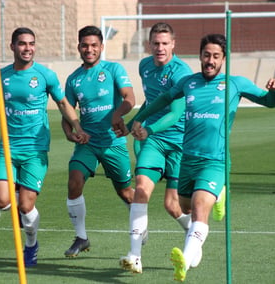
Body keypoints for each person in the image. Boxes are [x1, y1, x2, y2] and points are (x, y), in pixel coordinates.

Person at [130, 33, 275, 282]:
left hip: (215, 161)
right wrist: (139, 118)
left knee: (200, 208)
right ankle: (216, 201)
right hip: (187, 160)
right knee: (185, 207)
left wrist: (274, 91)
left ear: (224, 59)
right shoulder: (189, 83)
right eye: (206, 55)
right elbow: (163, 100)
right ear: (200, 56)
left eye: (216, 56)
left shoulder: (235, 84)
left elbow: (270, 102)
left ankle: (185, 263)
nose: (210, 61)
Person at [0, 27, 88, 267]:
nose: (27, 48)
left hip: (35, 149)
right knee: (1, 200)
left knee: (26, 206)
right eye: (22, 44)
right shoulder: (2, 76)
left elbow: (62, 102)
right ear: (12, 47)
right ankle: (21, 205)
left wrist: (77, 127)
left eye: (31, 43)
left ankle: (31, 245)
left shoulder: (45, 75)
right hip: (8, 149)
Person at [119, 22, 193, 274]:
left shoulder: (181, 73)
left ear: (173, 44)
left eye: (164, 43)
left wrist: (148, 128)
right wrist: (133, 124)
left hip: (180, 142)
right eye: (155, 43)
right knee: (141, 188)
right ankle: (134, 255)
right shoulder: (144, 66)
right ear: (148, 44)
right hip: (154, 141)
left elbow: (175, 113)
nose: (160, 48)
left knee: (174, 206)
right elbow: (151, 101)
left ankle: (193, 231)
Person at [62, 25, 136, 258]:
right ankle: (81, 237)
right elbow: (68, 114)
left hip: (113, 142)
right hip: (88, 143)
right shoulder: (73, 79)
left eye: (94, 45)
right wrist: (69, 132)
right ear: (79, 47)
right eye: (85, 45)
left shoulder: (114, 69)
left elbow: (129, 98)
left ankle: (139, 225)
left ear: (102, 47)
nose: (89, 49)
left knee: (125, 193)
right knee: (74, 181)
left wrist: (117, 115)